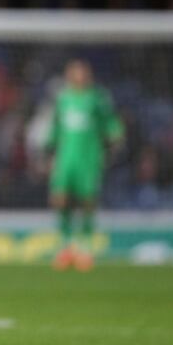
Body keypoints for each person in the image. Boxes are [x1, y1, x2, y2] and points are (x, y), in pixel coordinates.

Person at [45, 59, 123, 271]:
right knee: (60, 199)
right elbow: (55, 127)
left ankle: (86, 248)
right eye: (74, 72)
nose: (77, 76)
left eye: (81, 72)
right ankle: (66, 246)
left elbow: (110, 122)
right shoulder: (63, 98)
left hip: (89, 158)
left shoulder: (97, 98)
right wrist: (49, 149)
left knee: (88, 200)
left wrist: (115, 135)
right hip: (65, 158)